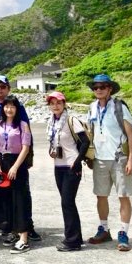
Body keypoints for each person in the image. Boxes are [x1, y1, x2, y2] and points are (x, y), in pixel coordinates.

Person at [0, 75, 40, 242]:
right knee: (2, 194)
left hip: (17, 157)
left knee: (22, 194)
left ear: (8, 88)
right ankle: (8, 227)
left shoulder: (19, 107)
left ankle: (27, 226)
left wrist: (26, 159)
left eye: (3, 86)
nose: (0, 89)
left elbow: (26, 135)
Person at [86, 74, 132, 252]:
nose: (98, 90)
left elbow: (130, 134)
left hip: (119, 158)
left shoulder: (119, 107)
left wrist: (131, 158)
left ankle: (123, 233)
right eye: (95, 87)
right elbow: (89, 132)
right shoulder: (92, 108)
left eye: (102, 87)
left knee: (123, 195)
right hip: (99, 159)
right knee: (101, 195)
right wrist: (88, 156)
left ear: (110, 89)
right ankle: (104, 229)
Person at [46, 91, 90, 252]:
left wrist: (78, 162)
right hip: (58, 167)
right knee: (68, 203)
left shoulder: (71, 120)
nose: (55, 106)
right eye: (52, 103)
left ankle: (72, 241)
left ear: (64, 104)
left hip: (71, 166)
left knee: (67, 203)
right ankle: (75, 237)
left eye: (58, 102)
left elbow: (85, 142)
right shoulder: (52, 122)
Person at [0, 95, 33, 254]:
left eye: (12, 106)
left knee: (19, 199)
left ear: (17, 109)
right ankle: (13, 232)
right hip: (2, 163)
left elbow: (25, 148)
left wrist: (15, 167)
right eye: (6, 106)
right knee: (6, 200)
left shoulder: (22, 125)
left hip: (17, 164)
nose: (9, 109)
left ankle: (24, 238)